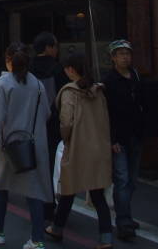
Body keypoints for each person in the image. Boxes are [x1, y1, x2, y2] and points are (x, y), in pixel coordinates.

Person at [0, 42, 52, 249]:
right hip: (34, 144)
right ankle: (37, 239)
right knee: (34, 191)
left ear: (8, 61)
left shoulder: (4, 83)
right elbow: (47, 113)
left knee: (1, 186)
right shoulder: (37, 84)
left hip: (9, 145)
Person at [46, 51, 113, 249]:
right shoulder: (98, 91)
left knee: (68, 189)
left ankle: (57, 228)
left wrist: (65, 139)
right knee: (98, 194)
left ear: (71, 70)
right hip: (98, 146)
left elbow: (66, 122)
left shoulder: (69, 92)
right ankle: (106, 237)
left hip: (77, 146)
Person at [102, 39, 145, 241]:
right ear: (113, 58)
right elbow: (106, 113)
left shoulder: (135, 75)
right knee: (122, 180)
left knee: (132, 181)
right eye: (120, 54)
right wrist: (111, 139)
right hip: (118, 139)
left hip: (136, 135)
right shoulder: (109, 80)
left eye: (127, 53)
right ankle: (123, 222)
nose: (125, 57)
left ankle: (126, 215)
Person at [30, 31, 68, 221]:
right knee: (53, 165)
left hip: (30, 122)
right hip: (53, 123)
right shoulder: (58, 69)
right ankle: (51, 204)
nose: (57, 49)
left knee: (34, 164)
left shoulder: (27, 69)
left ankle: (36, 204)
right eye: (55, 46)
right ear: (48, 48)